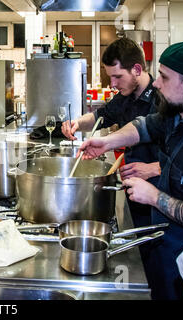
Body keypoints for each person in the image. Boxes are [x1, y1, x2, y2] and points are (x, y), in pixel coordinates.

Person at [77, 37, 183, 300]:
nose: (155, 82)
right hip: (162, 238)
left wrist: (153, 196)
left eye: (164, 78)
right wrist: (105, 142)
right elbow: (144, 126)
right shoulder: (175, 114)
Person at [61, 38, 160, 230]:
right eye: (110, 77)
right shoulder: (125, 96)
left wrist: (153, 168)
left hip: (157, 194)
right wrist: (77, 123)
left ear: (137, 70)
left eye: (117, 76)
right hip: (133, 189)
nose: (113, 84)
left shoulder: (162, 100)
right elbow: (101, 116)